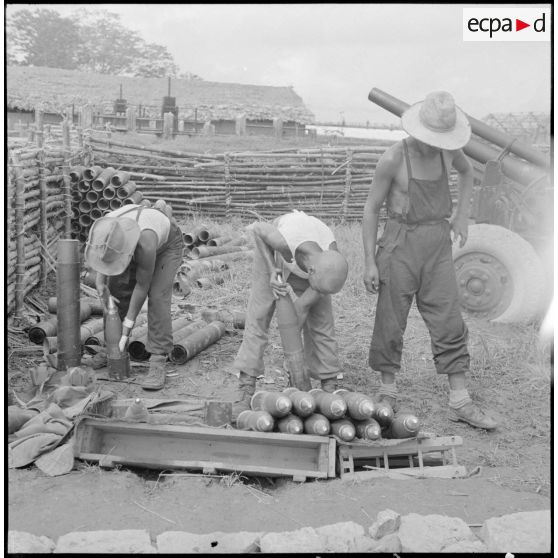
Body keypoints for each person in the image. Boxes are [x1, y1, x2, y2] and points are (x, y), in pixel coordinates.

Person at [362, 91, 497, 430]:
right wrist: (369, 262)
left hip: (437, 244)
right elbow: (370, 208)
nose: (435, 143)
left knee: (449, 318)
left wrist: (462, 215)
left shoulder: (450, 152)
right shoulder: (393, 158)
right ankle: (388, 390)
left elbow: (468, 175)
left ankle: (460, 400)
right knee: (391, 320)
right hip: (399, 242)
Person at [232, 210, 349, 415]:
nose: (319, 293)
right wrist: (271, 270)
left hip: (312, 263)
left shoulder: (329, 260)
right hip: (274, 255)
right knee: (258, 316)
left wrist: (293, 351)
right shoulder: (284, 241)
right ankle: (246, 386)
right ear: (310, 272)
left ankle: (329, 384)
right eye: (319, 289)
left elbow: (302, 308)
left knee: (322, 321)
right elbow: (258, 229)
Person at [84, 200, 184, 390]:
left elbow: (142, 286)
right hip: (128, 241)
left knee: (157, 296)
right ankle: (112, 350)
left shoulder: (146, 242)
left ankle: (157, 359)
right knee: (116, 292)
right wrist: (100, 283)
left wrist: (127, 328)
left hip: (166, 245)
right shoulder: (106, 227)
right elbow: (104, 255)